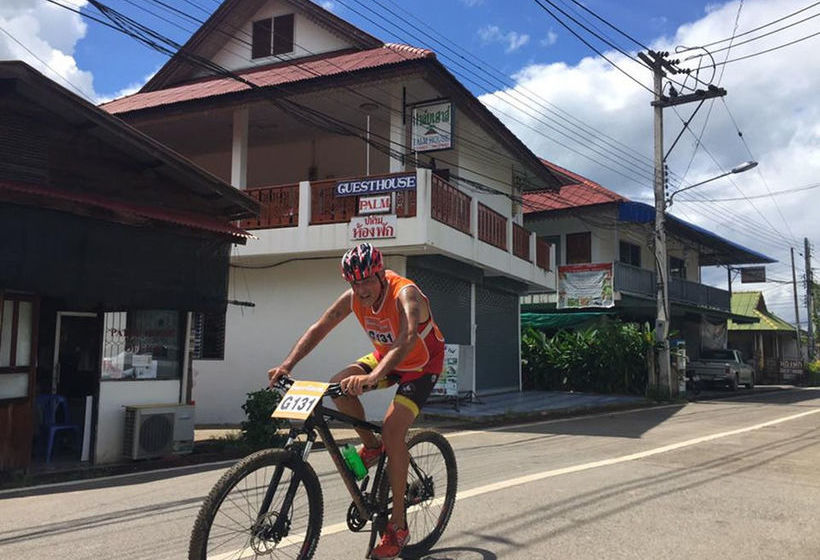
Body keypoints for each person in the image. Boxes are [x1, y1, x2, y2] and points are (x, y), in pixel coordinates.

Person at [268, 242, 445, 560]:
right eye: (354, 282)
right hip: (385, 359)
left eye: (366, 280)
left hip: (421, 365)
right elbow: (320, 327)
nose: (361, 289)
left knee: (393, 431)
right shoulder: (353, 297)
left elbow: (406, 339)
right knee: (337, 386)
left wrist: (372, 376)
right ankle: (372, 446)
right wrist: (287, 365)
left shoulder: (406, 294)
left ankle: (398, 526)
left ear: (380, 273)